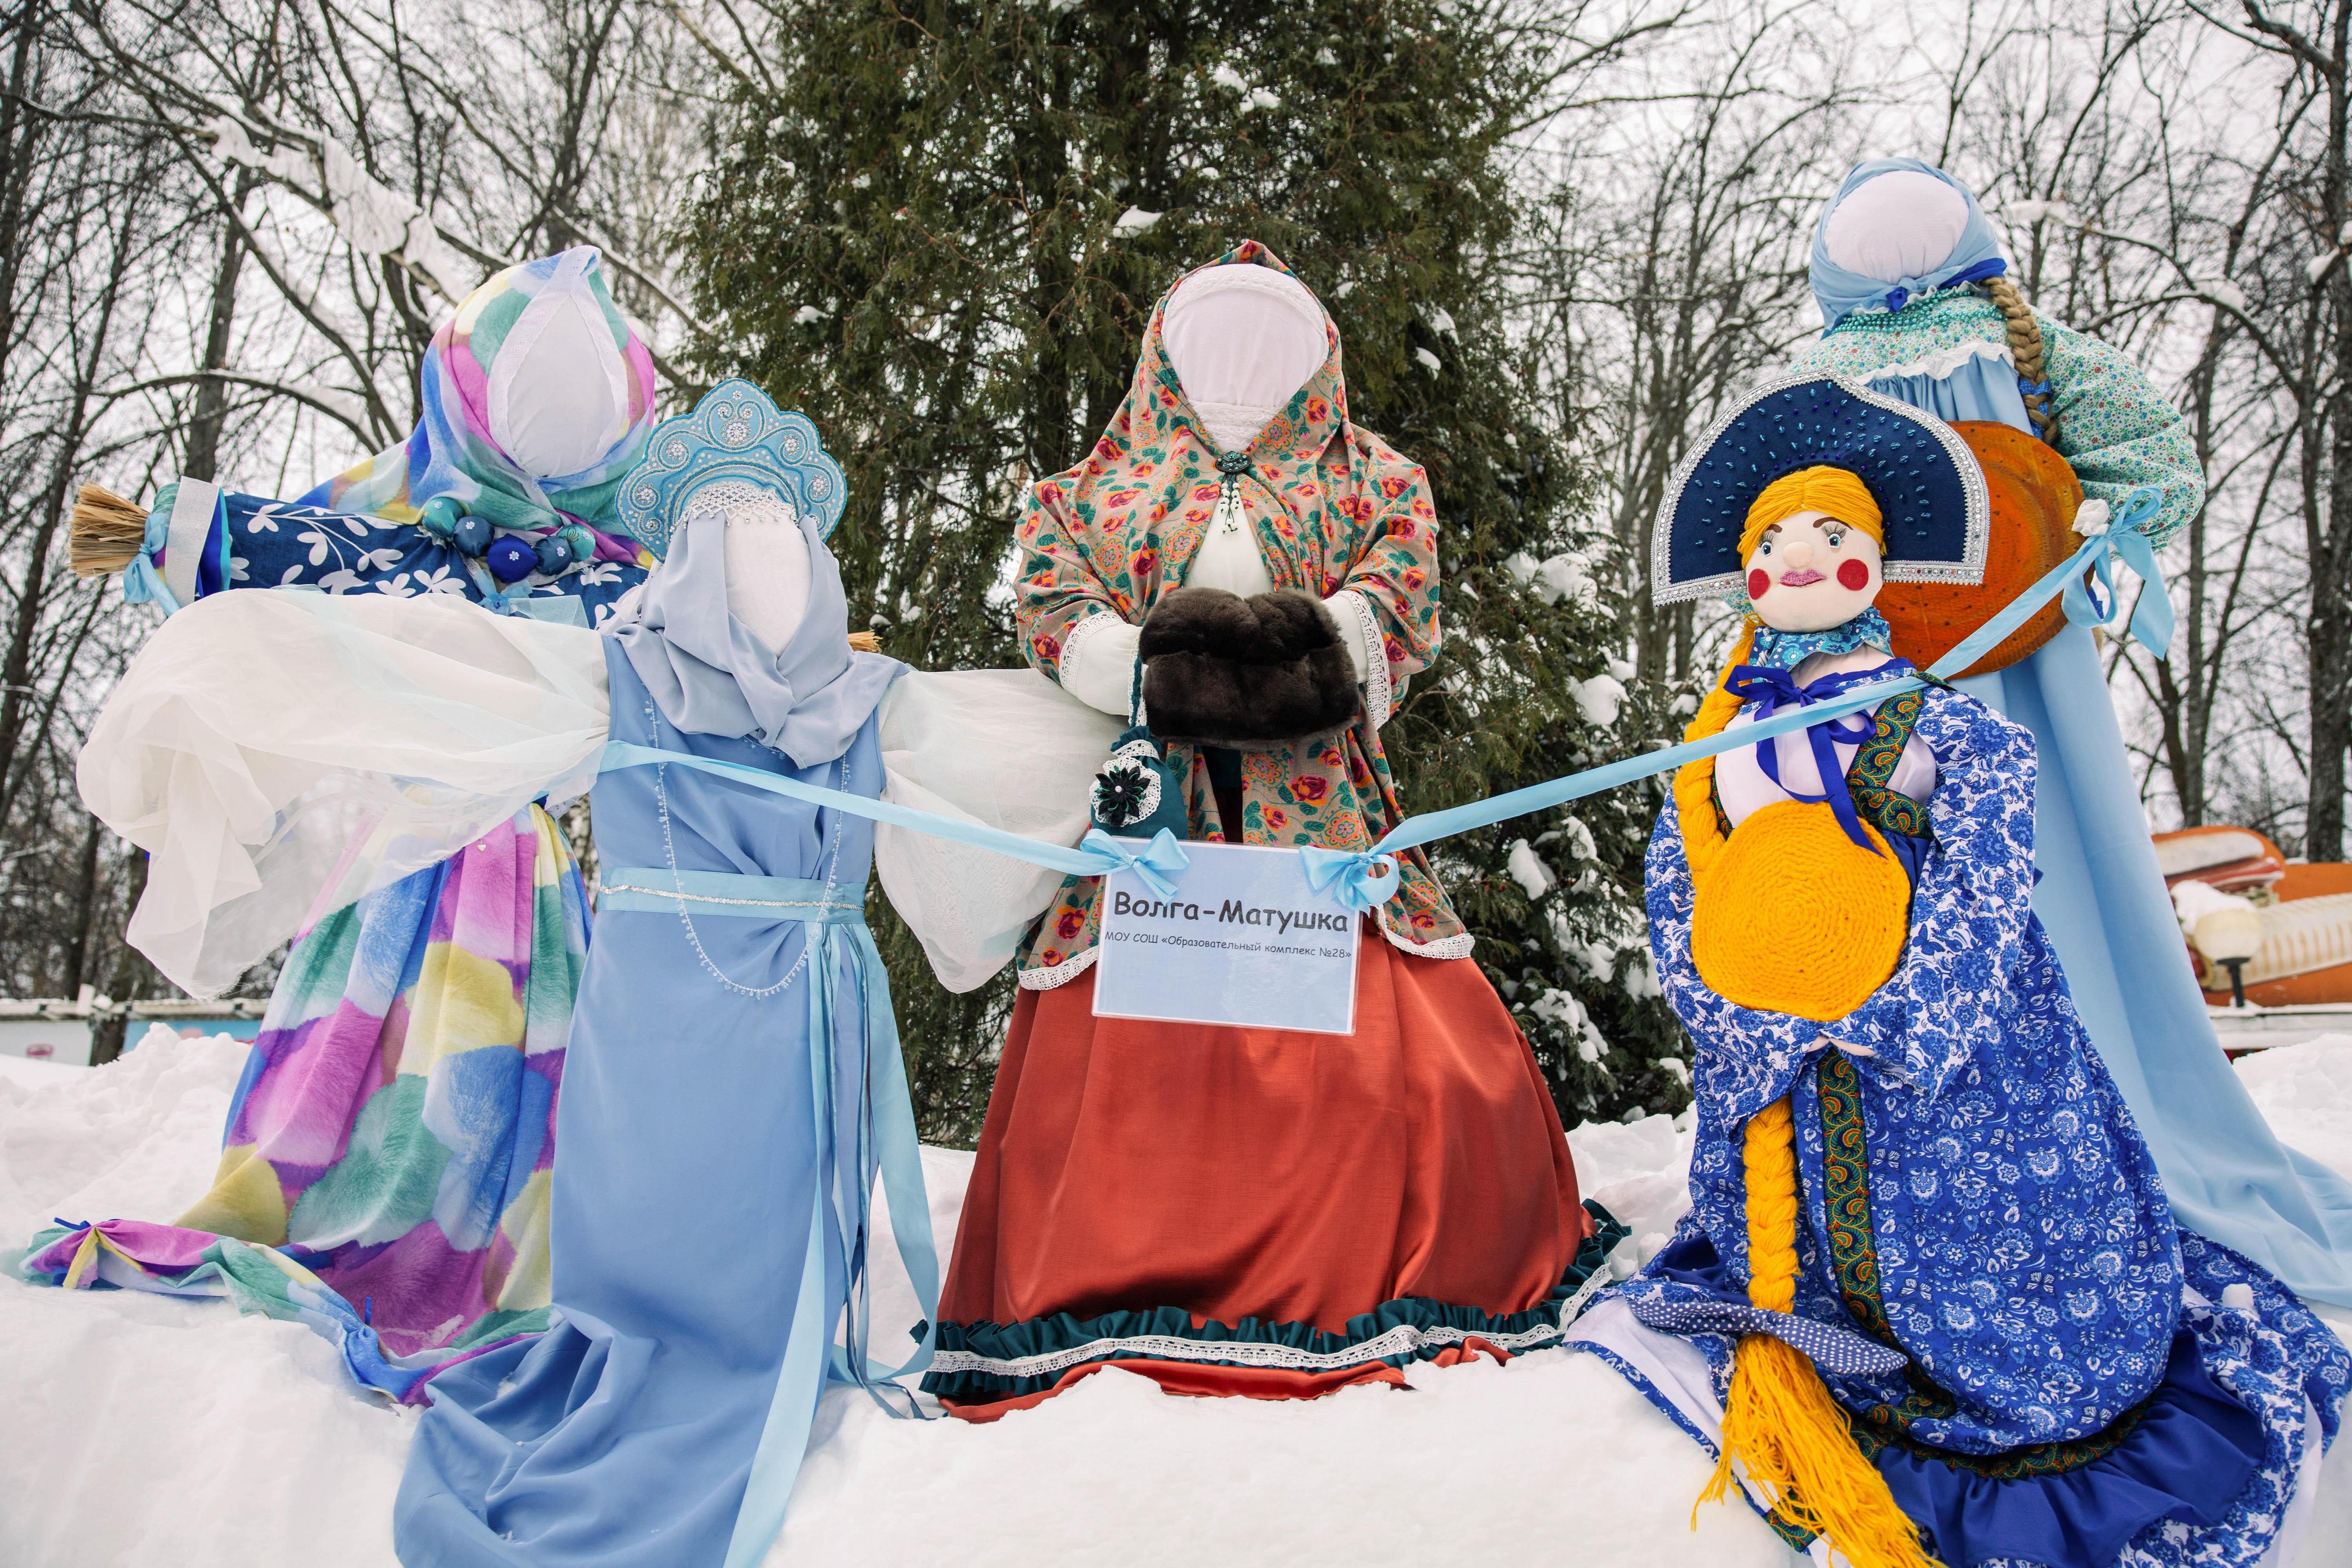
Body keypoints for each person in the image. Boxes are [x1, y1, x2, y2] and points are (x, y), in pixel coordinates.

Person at [66, 383, 950, 1568]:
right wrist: (206, 586)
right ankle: (438, 1234)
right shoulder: (610, 658)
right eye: (734, 542)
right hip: (516, 907)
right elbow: (375, 613)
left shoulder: (849, 695)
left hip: (754, 997)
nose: (764, 568)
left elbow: (978, 754)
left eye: (783, 543)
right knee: (433, 1074)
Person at [1570, 375, 2350, 1568]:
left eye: (1827, 535)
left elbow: (1987, 873)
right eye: (1771, 543)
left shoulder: (1944, 723)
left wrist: (1906, 1016)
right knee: (1807, 1242)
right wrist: (1729, 1015)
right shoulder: (1715, 738)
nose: (1796, 558)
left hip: (1946, 1059)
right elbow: (1682, 879)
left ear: (1875, 562)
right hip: (1780, 1055)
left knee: (1983, 1237)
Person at [919, 243, 1613, 1419]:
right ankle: (1124, 1267)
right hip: (1155, 810)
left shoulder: (1378, 480)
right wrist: (1138, 665)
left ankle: (1372, 1264)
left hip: (1321, 801)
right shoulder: (1088, 490)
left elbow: (1399, 602)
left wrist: (1312, 651)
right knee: (1141, 1025)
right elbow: (1052, 604)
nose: (1242, 365)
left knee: (1380, 1035)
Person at [22, 247, 659, 1398]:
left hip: (514, 868)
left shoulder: (610, 579)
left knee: (519, 1071)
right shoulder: (415, 550)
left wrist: (796, 650)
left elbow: (706, 640)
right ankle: (377, 1210)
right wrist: (165, 530)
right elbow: (289, 546)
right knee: (381, 1052)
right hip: (418, 858)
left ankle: (496, 1233)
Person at [1789, 159, 2352, 1311]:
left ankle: (1919, 1161)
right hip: (2012, 664)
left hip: (1891, 670)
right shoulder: (2027, 347)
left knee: (1912, 878)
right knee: (2058, 865)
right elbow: (2159, 464)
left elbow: (1775, 524)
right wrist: (2088, 529)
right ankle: (2103, 1106)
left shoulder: (1818, 381)